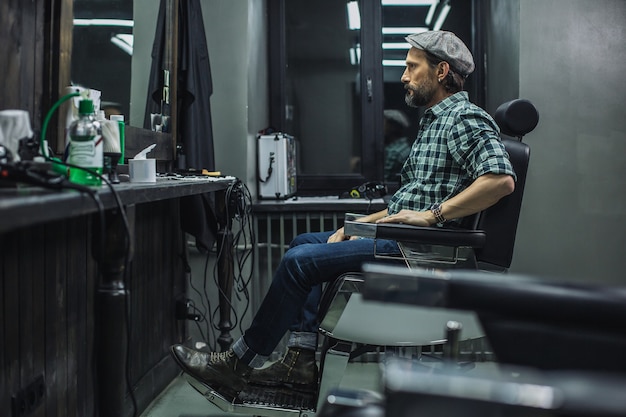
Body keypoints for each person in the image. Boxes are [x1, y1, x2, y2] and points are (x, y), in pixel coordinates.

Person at [170, 30, 516, 398]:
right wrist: (366, 223)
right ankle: (300, 358)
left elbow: (500, 180)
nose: (403, 76)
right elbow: (410, 200)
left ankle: (237, 366)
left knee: (301, 263)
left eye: (412, 67)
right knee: (303, 242)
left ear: (442, 71)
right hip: (404, 240)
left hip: (424, 253)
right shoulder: (435, 121)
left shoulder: (464, 117)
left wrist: (433, 217)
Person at [383, 108, 412, 183]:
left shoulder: (394, 152)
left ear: (393, 127)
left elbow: (384, 180)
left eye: (384, 123)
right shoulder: (404, 145)